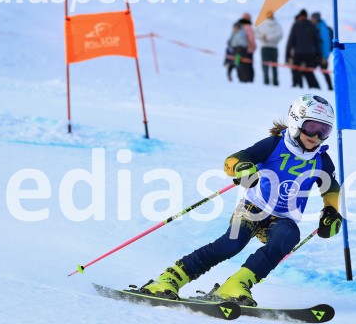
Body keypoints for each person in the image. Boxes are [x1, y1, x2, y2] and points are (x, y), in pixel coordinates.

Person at [141, 94, 344, 306]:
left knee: (288, 237)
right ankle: (169, 279)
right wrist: (243, 168)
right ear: (296, 122)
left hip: (283, 218)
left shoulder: (321, 160)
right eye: (311, 127)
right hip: (252, 208)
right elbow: (233, 160)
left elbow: (330, 188)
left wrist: (331, 212)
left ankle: (235, 286)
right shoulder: (275, 145)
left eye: (324, 130)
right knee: (230, 244)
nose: (316, 136)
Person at [286, 9, 321, 89]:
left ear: (301, 16)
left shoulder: (296, 25)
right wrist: (318, 55)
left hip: (298, 53)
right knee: (309, 72)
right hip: (310, 54)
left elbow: (291, 41)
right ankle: (314, 87)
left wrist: (287, 55)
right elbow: (317, 41)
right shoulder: (311, 25)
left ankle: (297, 86)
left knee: (296, 70)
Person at [256, 11, 283, 86]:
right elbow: (257, 33)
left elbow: (280, 35)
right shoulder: (262, 24)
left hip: (273, 47)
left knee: (274, 66)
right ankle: (266, 82)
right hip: (265, 47)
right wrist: (262, 37)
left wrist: (268, 38)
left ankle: (275, 83)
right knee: (265, 66)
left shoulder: (277, 25)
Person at [311, 12, 334, 90]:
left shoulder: (322, 28)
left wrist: (324, 57)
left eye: (313, 18)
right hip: (317, 54)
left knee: (324, 71)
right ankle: (317, 87)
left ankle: (330, 88)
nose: (311, 19)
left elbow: (326, 44)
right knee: (316, 71)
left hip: (321, 55)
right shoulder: (316, 27)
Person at [231, 13, 257, 83]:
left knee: (239, 65)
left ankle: (241, 79)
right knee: (247, 66)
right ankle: (248, 80)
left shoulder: (237, 27)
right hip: (247, 51)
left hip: (236, 50)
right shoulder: (248, 27)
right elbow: (251, 38)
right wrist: (254, 47)